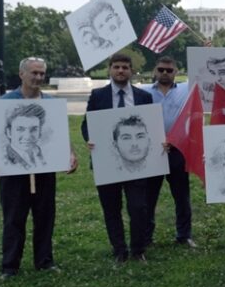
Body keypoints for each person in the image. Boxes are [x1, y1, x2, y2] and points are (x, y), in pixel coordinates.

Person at [0, 57, 78, 280]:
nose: (38, 77)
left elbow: (59, 135)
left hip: (44, 171)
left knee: (45, 217)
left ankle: (44, 261)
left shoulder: (50, 103)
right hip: (12, 173)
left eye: (41, 73)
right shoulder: (5, 102)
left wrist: (71, 153)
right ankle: (10, 266)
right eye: (34, 73)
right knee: (13, 218)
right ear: (22, 74)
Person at [81, 53, 154, 264]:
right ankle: (119, 250)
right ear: (109, 70)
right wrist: (89, 139)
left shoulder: (143, 97)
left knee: (138, 207)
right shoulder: (98, 96)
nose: (120, 71)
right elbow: (87, 124)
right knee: (111, 208)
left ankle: (138, 249)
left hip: (137, 162)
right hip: (106, 161)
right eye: (116, 67)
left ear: (131, 71)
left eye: (124, 67)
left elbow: (150, 126)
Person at [143, 56, 196, 248]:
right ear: (155, 70)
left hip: (177, 150)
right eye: (161, 69)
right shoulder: (143, 91)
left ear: (176, 71)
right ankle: (146, 237)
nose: (165, 73)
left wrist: (208, 51)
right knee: (149, 197)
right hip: (152, 151)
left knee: (182, 196)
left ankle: (184, 235)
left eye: (169, 70)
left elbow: (205, 75)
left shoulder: (186, 89)